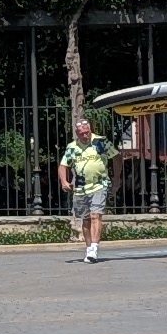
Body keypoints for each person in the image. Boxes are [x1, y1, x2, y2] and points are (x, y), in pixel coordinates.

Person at [59, 112, 111, 263]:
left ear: (90, 129)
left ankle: (94, 248)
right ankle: (89, 248)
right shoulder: (72, 147)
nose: (85, 136)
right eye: (81, 134)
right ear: (77, 134)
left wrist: (115, 178)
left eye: (87, 132)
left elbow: (117, 157)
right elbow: (63, 166)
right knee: (86, 220)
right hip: (81, 188)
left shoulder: (100, 142)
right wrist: (64, 181)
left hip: (99, 184)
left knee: (96, 215)